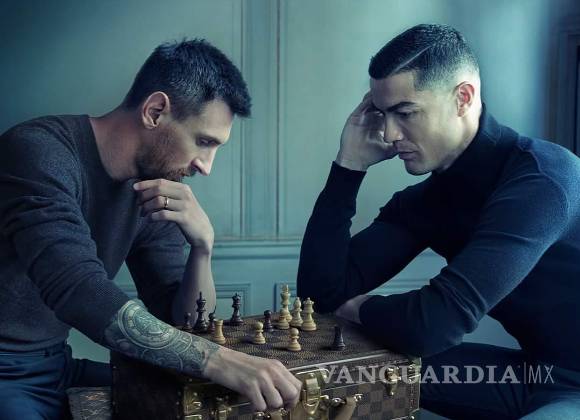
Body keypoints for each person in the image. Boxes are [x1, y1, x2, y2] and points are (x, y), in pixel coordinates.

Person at [0, 39, 301, 419]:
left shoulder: (153, 188)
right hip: (6, 372)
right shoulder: (37, 152)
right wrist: (218, 360)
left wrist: (203, 248)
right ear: (155, 111)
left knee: (205, 402)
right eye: (203, 141)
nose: (206, 166)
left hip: (57, 365)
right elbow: (76, 288)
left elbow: (183, 322)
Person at [297, 23, 580, 419]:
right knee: (349, 371)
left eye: (405, 113)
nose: (389, 133)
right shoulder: (426, 202)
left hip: (569, 389)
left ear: (463, 98)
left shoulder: (544, 179)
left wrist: (360, 307)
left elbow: (432, 325)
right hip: (536, 373)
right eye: (382, 114)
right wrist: (348, 167)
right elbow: (319, 295)